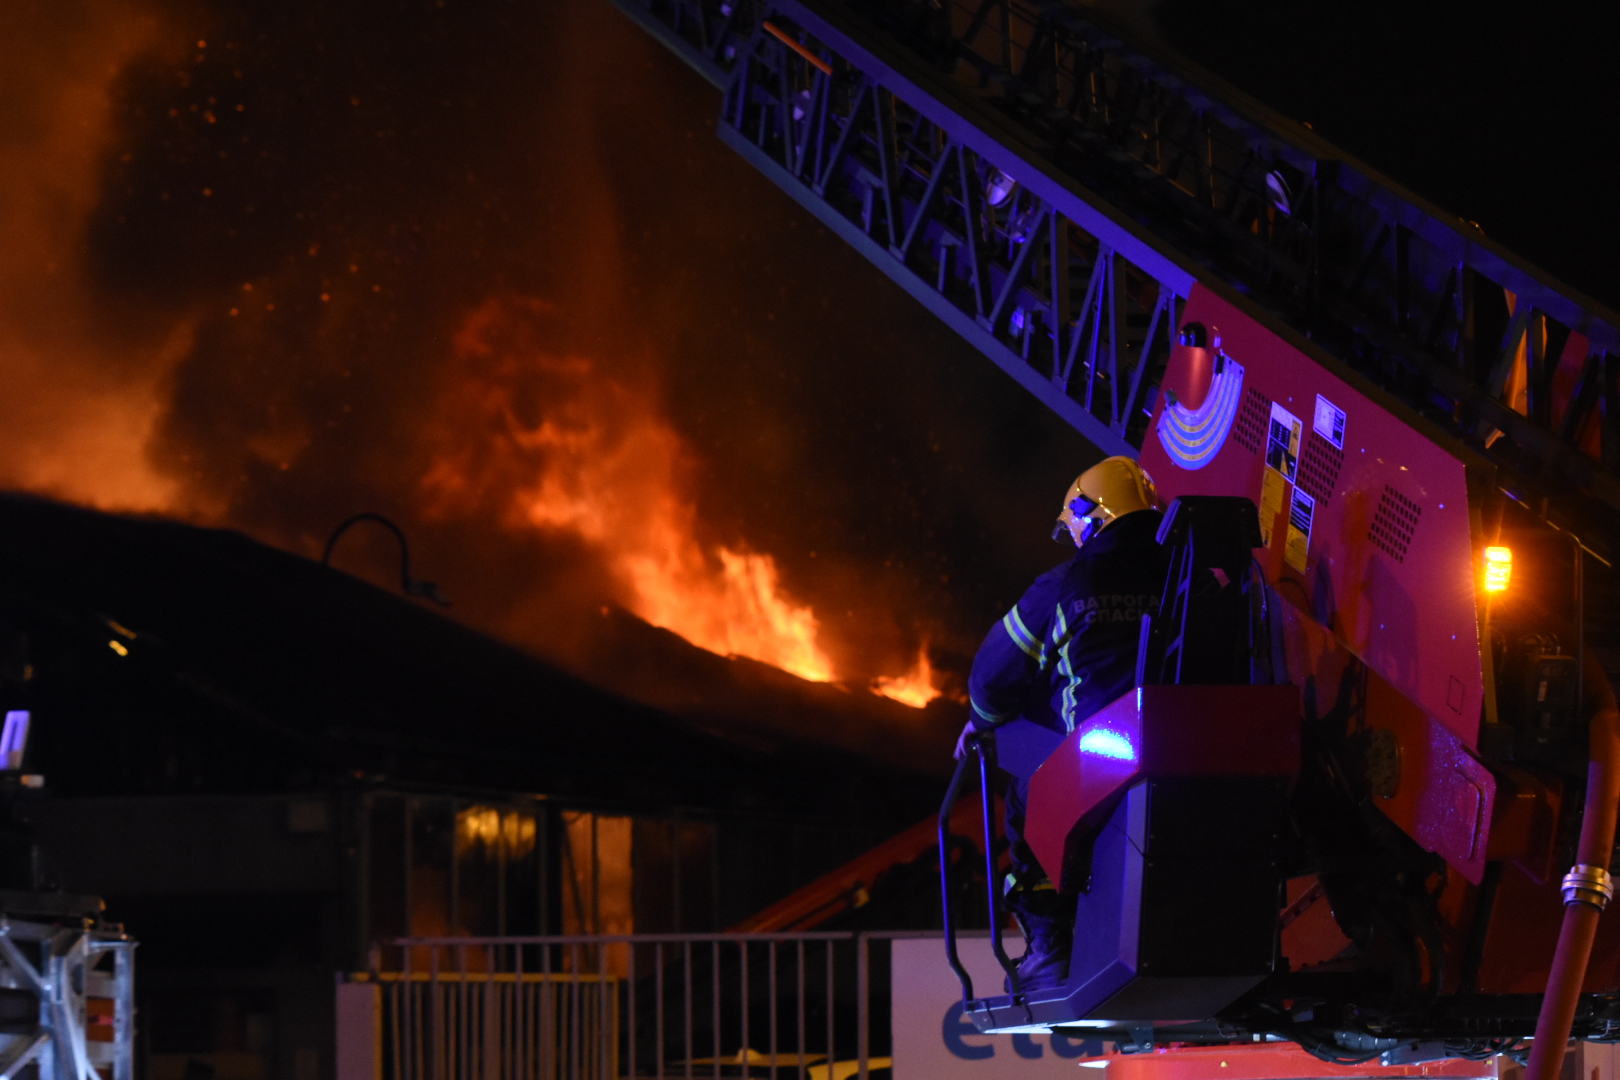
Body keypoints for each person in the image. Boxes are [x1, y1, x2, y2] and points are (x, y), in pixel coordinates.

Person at [954, 456, 1169, 992]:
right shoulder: (1191, 577)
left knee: (1030, 798)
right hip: (1199, 747)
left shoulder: (1066, 582)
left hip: (1109, 754)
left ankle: (1051, 946)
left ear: (1089, 516)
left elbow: (991, 674)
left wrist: (984, 725)